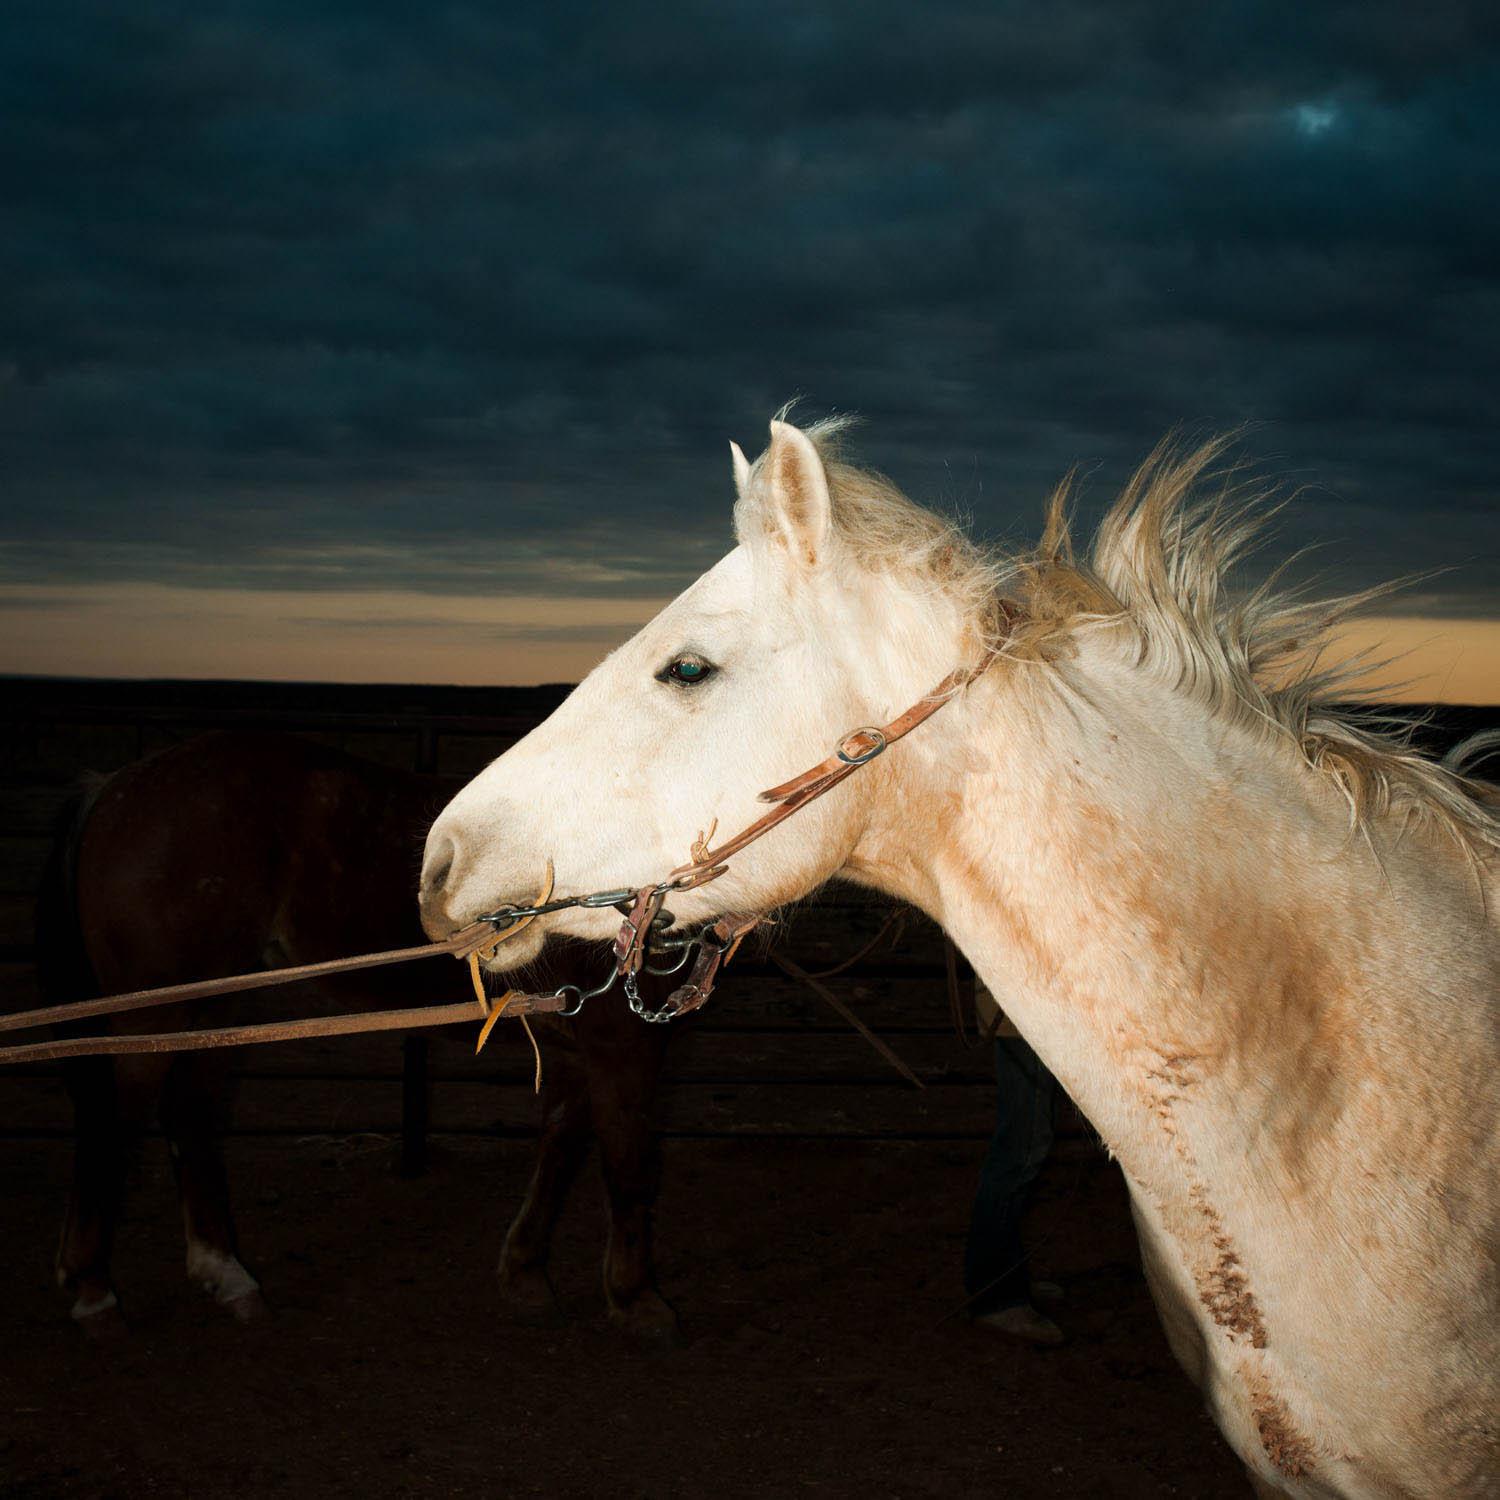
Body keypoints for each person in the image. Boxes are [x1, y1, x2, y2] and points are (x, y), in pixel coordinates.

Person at [964, 979, 1064, 1345]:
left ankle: (1006, 1278)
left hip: (1032, 999)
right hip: (1025, 1001)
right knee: (1022, 1146)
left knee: (1027, 1140)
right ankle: (996, 1297)